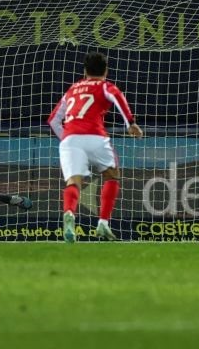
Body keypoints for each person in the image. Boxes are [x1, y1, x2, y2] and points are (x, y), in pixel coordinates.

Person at [48, 51, 143, 243]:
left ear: (85, 71)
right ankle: (103, 223)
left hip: (70, 139)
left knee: (73, 181)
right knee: (112, 174)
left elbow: (53, 120)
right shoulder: (104, 86)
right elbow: (117, 97)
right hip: (95, 136)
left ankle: (69, 214)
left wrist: (67, 139)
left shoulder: (73, 89)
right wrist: (130, 123)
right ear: (106, 70)